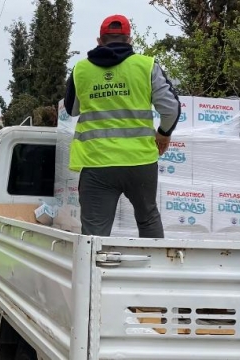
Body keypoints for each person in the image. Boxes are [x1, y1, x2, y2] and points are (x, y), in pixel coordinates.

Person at [64, 14, 181, 238]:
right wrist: (163, 133)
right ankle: (154, 268)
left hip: (97, 163)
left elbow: (72, 110)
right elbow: (171, 108)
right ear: (129, 40)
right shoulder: (146, 66)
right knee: (147, 218)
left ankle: (94, 273)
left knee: (94, 234)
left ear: (100, 40)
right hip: (141, 161)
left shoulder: (81, 70)